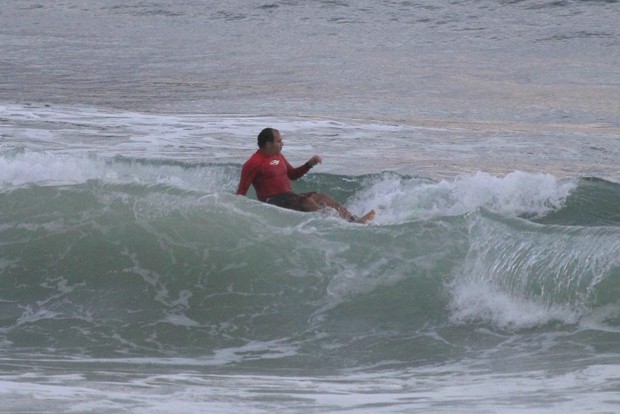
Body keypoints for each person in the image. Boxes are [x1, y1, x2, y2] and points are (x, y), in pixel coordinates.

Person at [236, 128, 375, 223]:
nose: (282, 144)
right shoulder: (253, 163)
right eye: (279, 141)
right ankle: (336, 225)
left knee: (322, 198)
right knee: (308, 202)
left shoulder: (278, 156)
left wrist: (309, 164)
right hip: (272, 201)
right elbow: (241, 193)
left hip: (288, 196)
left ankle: (353, 220)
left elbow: (293, 175)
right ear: (268, 144)